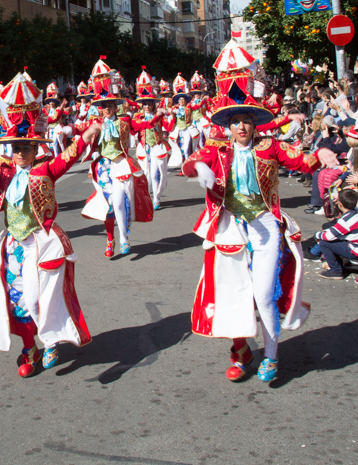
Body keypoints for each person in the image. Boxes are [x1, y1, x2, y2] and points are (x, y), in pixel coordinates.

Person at [182, 40, 338, 383]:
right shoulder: (217, 150)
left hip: (266, 226)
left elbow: (303, 159)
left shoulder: (270, 148)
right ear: (228, 125)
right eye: (235, 121)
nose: (241, 126)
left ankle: (271, 354)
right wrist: (198, 170)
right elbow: (191, 164)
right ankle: (240, 351)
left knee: (263, 293)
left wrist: (322, 155)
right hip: (228, 227)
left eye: (246, 121)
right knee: (232, 291)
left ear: (255, 124)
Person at [0, 72, 99, 377]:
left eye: (26, 148)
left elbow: (67, 157)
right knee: (16, 300)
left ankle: (50, 339)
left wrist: (84, 138)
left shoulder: (45, 170)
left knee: (40, 299)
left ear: (36, 148)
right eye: (16, 148)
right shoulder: (4, 172)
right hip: (13, 245)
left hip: (41, 242)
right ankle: (30, 348)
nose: (20, 153)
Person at [77, 58, 154, 258]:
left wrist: (158, 116)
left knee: (119, 202)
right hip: (102, 166)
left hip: (121, 164)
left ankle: (124, 239)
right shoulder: (95, 123)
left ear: (115, 105)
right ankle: (110, 239)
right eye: (103, 106)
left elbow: (141, 127)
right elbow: (85, 139)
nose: (106, 108)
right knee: (107, 205)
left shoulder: (126, 120)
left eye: (109, 105)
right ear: (99, 108)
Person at [129, 68, 172, 210]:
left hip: (156, 146)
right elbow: (134, 130)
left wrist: (173, 116)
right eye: (144, 103)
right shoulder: (137, 117)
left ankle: (157, 197)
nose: (147, 106)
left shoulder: (159, 115)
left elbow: (169, 127)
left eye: (149, 103)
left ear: (153, 104)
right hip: (143, 147)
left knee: (155, 175)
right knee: (145, 175)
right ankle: (147, 198)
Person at [314, 189, 358, 279]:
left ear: (340, 204)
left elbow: (328, 236)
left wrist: (317, 235)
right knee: (333, 239)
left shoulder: (346, 220)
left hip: (357, 251)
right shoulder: (357, 215)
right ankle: (340, 265)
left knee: (324, 242)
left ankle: (336, 271)